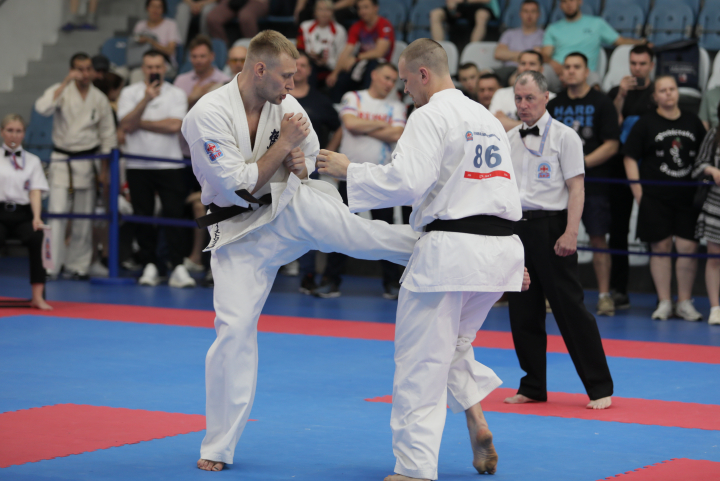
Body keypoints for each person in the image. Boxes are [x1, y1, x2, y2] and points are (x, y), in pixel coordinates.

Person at [182, 30, 419, 472]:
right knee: (233, 331)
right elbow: (239, 186)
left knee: (365, 238)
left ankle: (443, 243)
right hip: (239, 231)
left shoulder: (287, 105)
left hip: (290, 204)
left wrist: (299, 162)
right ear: (259, 69)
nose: (293, 85)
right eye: (286, 76)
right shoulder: (207, 115)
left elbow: (307, 160)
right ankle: (218, 445)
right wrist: (284, 146)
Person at [318, 38, 529, 481]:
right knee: (452, 347)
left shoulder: (430, 114)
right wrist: (509, 257)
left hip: (451, 252)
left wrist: (347, 169)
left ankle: (414, 469)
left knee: (420, 361)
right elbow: (501, 188)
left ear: (423, 74)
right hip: (499, 251)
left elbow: (406, 181)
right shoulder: (487, 118)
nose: (404, 89)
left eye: (405, 80)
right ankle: (476, 419)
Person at [504, 70, 614, 411]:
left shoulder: (566, 137)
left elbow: (576, 188)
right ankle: (533, 385)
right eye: (518, 98)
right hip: (517, 229)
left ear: (546, 97)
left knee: (570, 309)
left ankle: (599, 386)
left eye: (529, 98)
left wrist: (571, 232)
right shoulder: (508, 138)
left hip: (552, 228)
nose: (523, 104)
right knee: (523, 311)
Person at [315, 63, 405, 299]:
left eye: (393, 80)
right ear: (373, 75)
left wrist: (361, 127)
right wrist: (382, 125)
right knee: (340, 228)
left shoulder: (396, 105)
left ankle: (392, 282)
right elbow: (350, 124)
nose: (389, 83)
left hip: (381, 177)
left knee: (385, 230)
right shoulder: (353, 97)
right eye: (386, 77)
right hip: (349, 174)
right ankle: (331, 280)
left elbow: (396, 134)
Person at [624, 76, 707, 321]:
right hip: (655, 197)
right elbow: (630, 157)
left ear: (677, 92)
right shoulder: (645, 123)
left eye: (672, 89)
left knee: (688, 248)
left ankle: (684, 302)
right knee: (660, 248)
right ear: (655, 96)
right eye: (663, 90)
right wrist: (639, 193)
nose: (668, 93)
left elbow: (704, 156)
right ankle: (664, 302)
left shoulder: (692, 121)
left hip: (687, 197)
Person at [548, 52, 620, 316]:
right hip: (557, 186)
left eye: (576, 66)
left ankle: (604, 296)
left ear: (587, 71)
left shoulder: (602, 102)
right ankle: (553, 295)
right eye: (567, 67)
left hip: (594, 184)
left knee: (599, 238)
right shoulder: (554, 104)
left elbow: (612, 144)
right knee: (555, 239)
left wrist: (579, 165)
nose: (571, 71)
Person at [35, 52, 117, 280]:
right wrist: (64, 83)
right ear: (72, 71)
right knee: (57, 214)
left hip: (88, 161)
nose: (85, 73)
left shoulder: (99, 98)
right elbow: (42, 108)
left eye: (88, 68)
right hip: (62, 159)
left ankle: (78, 265)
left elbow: (108, 135)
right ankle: (51, 265)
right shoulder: (61, 91)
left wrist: (104, 171)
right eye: (80, 69)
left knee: (84, 216)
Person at [117, 50, 194, 288]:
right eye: (150, 67)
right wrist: (145, 100)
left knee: (174, 214)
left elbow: (174, 125)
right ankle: (149, 264)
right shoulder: (130, 93)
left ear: (165, 68)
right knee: (143, 215)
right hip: (137, 163)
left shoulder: (176, 93)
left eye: (158, 67)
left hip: (169, 163)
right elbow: (124, 124)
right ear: (143, 69)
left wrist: (137, 123)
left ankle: (177, 265)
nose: (154, 71)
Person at [606, 45, 656, 310]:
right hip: (618, 168)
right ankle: (619, 289)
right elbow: (611, 126)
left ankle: (663, 295)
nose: (637, 68)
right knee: (618, 230)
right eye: (633, 63)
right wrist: (621, 96)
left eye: (642, 63)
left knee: (658, 230)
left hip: (651, 168)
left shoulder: (657, 93)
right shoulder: (617, 91)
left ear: (651, 65)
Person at [290, 51, 343, 293]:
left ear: (310, 71)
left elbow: (339, 126)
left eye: (303, 65)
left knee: (308, 219)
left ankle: (308, 273)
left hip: (309, 169)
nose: (299, 68)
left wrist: (325, 153)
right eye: (295, 64)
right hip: (277, 165)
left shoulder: (320, 101)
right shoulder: (279, 96)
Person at [0, 114, 52, 310]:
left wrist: (37, 217)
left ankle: (37, 297)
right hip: (0, 213)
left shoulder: (32, 161)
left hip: (23, 214)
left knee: (37, 237)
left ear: (24, 134)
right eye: (10, 130)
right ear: (2, 132)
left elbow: (35, 192)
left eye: (18, 131)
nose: (14, 135)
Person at [542, 0, 647, 86]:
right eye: (564, 1)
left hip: (585, 74)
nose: (569, 4)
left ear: (580, 1)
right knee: (543, 72)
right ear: (560, 5)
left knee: (595, 79)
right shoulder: (553, 28)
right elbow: (545, 54)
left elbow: (620, 41)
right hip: (559, 73)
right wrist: (559, 68)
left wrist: (642, 42)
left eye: (572, 0)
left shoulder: (597, 23)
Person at [327, 0, 395, 103]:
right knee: (340, 80)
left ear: (375, 8)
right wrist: (335, 73)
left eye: (366, 7)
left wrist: (356, 58)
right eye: (359, 8)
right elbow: (346, 51)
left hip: (380, 65)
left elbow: (379, 53)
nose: (362, 11)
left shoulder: (384, 25)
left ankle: (365, 106)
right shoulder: (357, 26)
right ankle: (337, 107)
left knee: (372, 68)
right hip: (362, 63)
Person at [692, 104, 720, 325]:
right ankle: (715, 307)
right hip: (716, 204)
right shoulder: (714, 134)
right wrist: (712, 170)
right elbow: (699, 165)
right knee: (714, 257)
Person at [489, 50, 555, 132]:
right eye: (523, 63)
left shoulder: (551, 98)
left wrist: (507, 122)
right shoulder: (500, 94)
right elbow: (492, 125)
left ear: (541, 69)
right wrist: (531, 124)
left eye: (532, 64)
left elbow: (546, 128)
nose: (526, 67)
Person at [296, 0, 348, 87]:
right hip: (310, 64)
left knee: (343, 78)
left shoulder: (340, 30)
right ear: (315, 12)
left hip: (332, 68)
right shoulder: (304, 26)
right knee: (307, 70)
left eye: (327, 10)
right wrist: (310, 56)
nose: (324, 13)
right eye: (320, 9)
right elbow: (299, 51)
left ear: (332, 12)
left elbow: (342, 57)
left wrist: (327, 62)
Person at [174, 35, 231, 111]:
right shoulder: (180, 80)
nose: (198, 60)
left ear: (212, 56)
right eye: (194, 56)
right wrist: (191, 98)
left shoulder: (225, 81)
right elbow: (172, 110)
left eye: (202, 56)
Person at [493, 0, 544, 85]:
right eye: (526, 11)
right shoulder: (508, 33)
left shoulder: (544, 35)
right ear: (520, 13)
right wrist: (527, 55)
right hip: (507, 70)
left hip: (530, 71)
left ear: (539, 14)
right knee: (485, 75)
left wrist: (509, 55)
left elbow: (540, 57)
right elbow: (498, 53)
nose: (529, 15)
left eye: (533, 11)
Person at [133, 0, 182, 72]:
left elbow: (170, 51)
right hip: (139, 62)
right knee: (121, 72)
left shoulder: (171, 24)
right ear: (147, 8)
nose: (155, 10)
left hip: (163, 64)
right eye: (152, 6)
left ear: (163, 10)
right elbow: (134, 45)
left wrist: (150, 41)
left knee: (136, 73)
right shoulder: (140, 25)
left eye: (159, 7)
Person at [430, 0, 500, 44]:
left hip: (480, 7)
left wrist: (464, 1)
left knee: (482, 15)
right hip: (460, 8)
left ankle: (472, 49)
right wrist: (452, 10)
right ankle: (439, 49)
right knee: (435, 14)